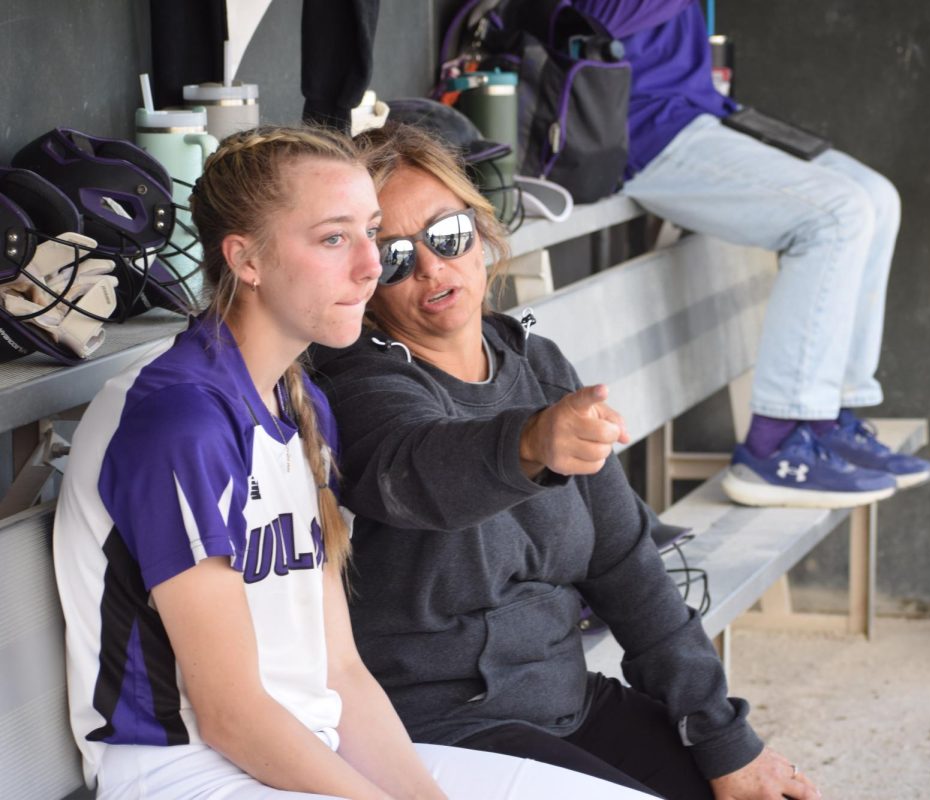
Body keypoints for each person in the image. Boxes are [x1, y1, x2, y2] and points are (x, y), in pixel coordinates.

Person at [52, 126, 655, 800]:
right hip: (187, 773)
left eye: (371, 233)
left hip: (313, 750)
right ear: (245, 259)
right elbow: (231, 717)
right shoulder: (180, 420)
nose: (373, 266)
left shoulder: (298, 401)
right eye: (334, 238)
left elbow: (340, 671)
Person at [308, 122, 821, 800]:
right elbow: (416, 469)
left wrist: (724, 738)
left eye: (448, 235)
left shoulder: (537, 367)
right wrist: (529, 445)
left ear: (482, 232)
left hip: (567, 702)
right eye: (396, 256)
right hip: (443, 729)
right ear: (367, 276)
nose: (432, 267)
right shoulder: (356, 384)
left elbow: (626, 565)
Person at [572, 0, 930, 509]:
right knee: (837, 214)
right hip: (639, 129)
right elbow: (597, 15)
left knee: (876, 196)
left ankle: (828, 419)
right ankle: (776, 442)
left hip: (705, 112)